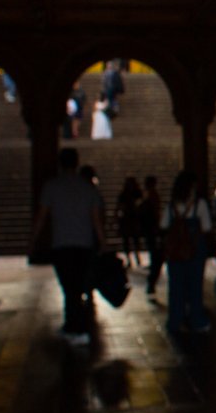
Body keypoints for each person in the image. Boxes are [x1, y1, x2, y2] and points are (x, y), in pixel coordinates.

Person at [30, 147, 106, 345]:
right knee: (78, 285)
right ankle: (75, 325)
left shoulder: (52, 187)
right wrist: (102, 241)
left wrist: (34, 239)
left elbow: (41, 216)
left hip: (62, 244)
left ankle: (76, 327)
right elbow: (96, 219)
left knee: (69, 286)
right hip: (84, 244)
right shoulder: (88, 188)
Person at [159, 171, 213, 336]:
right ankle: (197, 320)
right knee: (195, 286)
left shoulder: (171, 206)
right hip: (195, 250)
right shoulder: (200, 204)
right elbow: (207, 227)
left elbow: (162, 226)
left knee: (176, 287)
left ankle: (174, 321)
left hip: (175, 252)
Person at [139, 175, 163, 293]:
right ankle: (151, 281)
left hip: (149, 229)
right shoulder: (152, 196)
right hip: (153, 229)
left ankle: (151, 281)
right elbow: (156, 212)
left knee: (155, 256)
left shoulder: (147, 196)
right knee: (156, 257)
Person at [115, 177, 144, 268]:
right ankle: (134, 259)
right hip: (129, 220)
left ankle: (134, 259)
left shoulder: (126, 194)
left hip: (130, 220)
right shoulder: (132, 194)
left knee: (131, 241)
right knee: (131, 241)